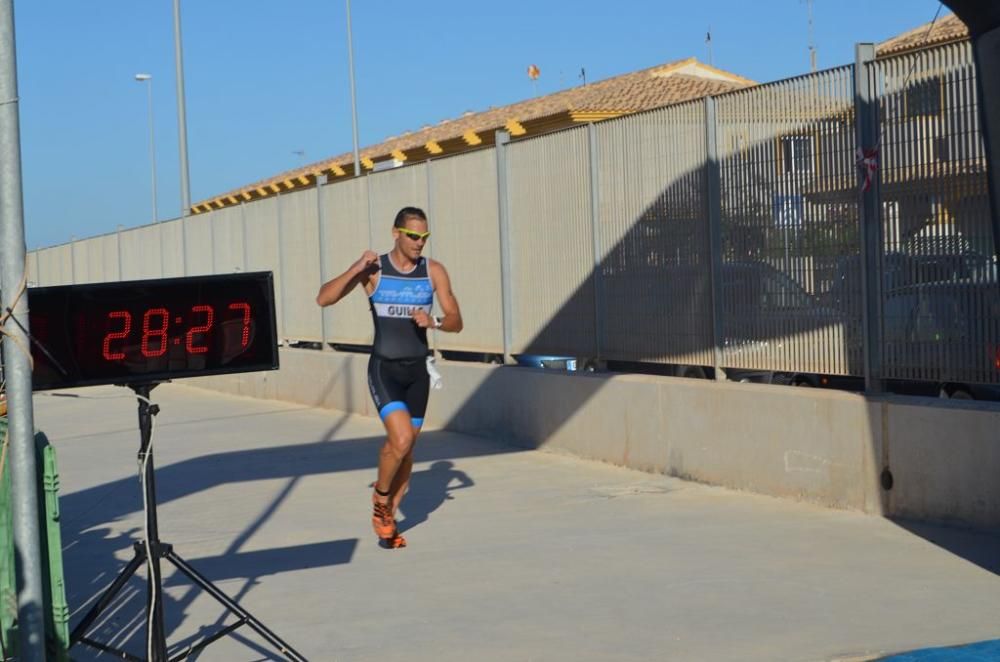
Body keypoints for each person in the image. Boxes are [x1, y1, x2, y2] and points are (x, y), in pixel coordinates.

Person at [316, 206, 463, 548]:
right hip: (385, 368)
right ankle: (381, 501)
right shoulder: (375, 269)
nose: (419, 243)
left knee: (407, 451)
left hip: (417, 373)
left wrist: (435, 322)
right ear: (396, 232)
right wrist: (357, 267)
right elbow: (324, 298)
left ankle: (389, 522)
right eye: (413, 236)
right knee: (399, 440)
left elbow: (456, 319)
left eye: (424, 237)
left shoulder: (433, 271)